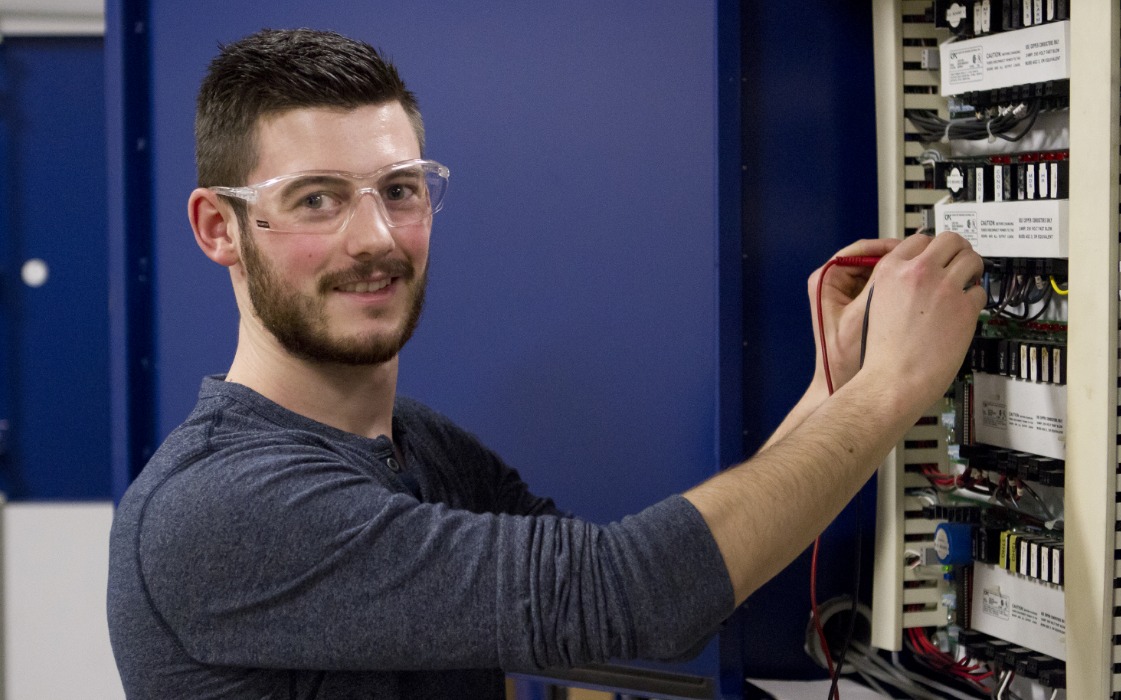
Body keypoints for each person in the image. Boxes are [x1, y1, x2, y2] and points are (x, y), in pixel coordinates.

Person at [107, 28, 985, 700]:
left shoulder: (419, 448)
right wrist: (890, 391)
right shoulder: (220, 509)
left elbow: (620, 604)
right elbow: (627, 596)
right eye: (316, 201)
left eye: (400, 190)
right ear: (218, 228)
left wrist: (834, 387)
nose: (374, 238)